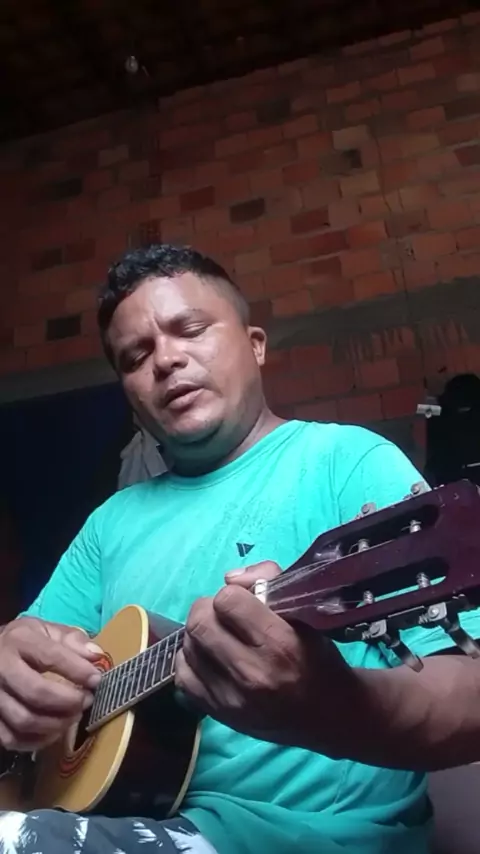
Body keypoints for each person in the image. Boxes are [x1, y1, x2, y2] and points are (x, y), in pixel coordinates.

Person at [0, 244, 479, 854]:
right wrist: (10, 660)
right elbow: (36, 653)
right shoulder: (110, 522)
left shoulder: (345, 461)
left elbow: (473, 690)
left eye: (191, 329)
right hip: (127, 820)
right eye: (135, 356)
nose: (166, 360)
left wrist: (333, 707)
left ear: (255, 345)